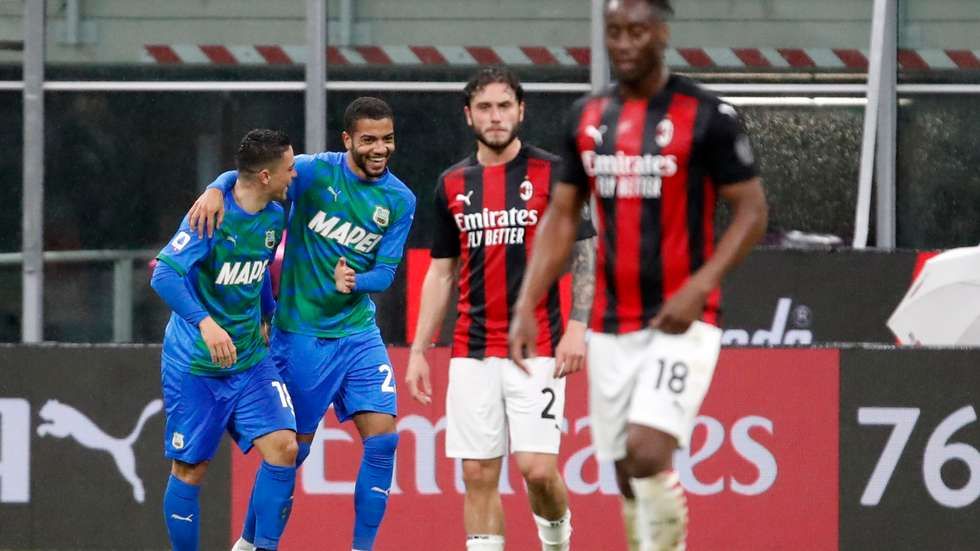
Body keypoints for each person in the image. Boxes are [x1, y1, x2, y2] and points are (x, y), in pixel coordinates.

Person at [509, 1, 769, 549]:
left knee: (649, 453)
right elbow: (562, 215)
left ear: (662, 33)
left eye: (637, 31)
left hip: (682, 318)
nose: (625, 43)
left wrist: (701, 286)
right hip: (610, 321)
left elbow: (752, 211)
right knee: (627, 471)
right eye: (615, 32)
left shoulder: (708, 115)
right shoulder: (586, 117)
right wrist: (528, 302)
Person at [189, 97, 416, 551]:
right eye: (369, 139)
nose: (380, 148)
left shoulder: (400, 199)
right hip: (302, 337)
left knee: (384, 441)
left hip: (359, 334)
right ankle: (250, 544)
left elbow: (387, 273)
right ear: (347, 139)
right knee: (292, 452)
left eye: (387, 139)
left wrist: (356, 281)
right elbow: (258, 173)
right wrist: (216, 186)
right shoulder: (313, 172)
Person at [405, 66, 596, 551]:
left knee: (537, 470)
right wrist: (419, 350)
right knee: (477, 472)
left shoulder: (555, 173)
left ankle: (557, 541)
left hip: (540, 345)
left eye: (504, 106)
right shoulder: (451, 183)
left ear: (521, 111)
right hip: (471, 348)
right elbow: (441, 272)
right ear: (468, 115)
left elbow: (586, 254)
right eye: (485, 107)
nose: (496, 116)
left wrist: (579, 327)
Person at [151, 129, 299, 551]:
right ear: (266, 176)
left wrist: (268, 314)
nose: (294, 175)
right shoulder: (210, 217)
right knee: (190, 470)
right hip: (197, 365)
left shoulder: (274, 216)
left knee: (285, 449)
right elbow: (164, 275)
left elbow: (258, 269)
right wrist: (206, 324)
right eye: (289, 168)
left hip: (250, 359)